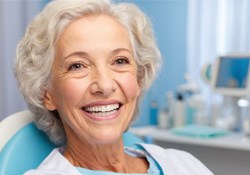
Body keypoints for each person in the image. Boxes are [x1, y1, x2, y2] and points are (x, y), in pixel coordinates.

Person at [15, 0, 214, 174]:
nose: (105, 85)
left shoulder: (182, 163)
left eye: (119, 61)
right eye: (77, 66)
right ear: (46, 93)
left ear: (139, 77)